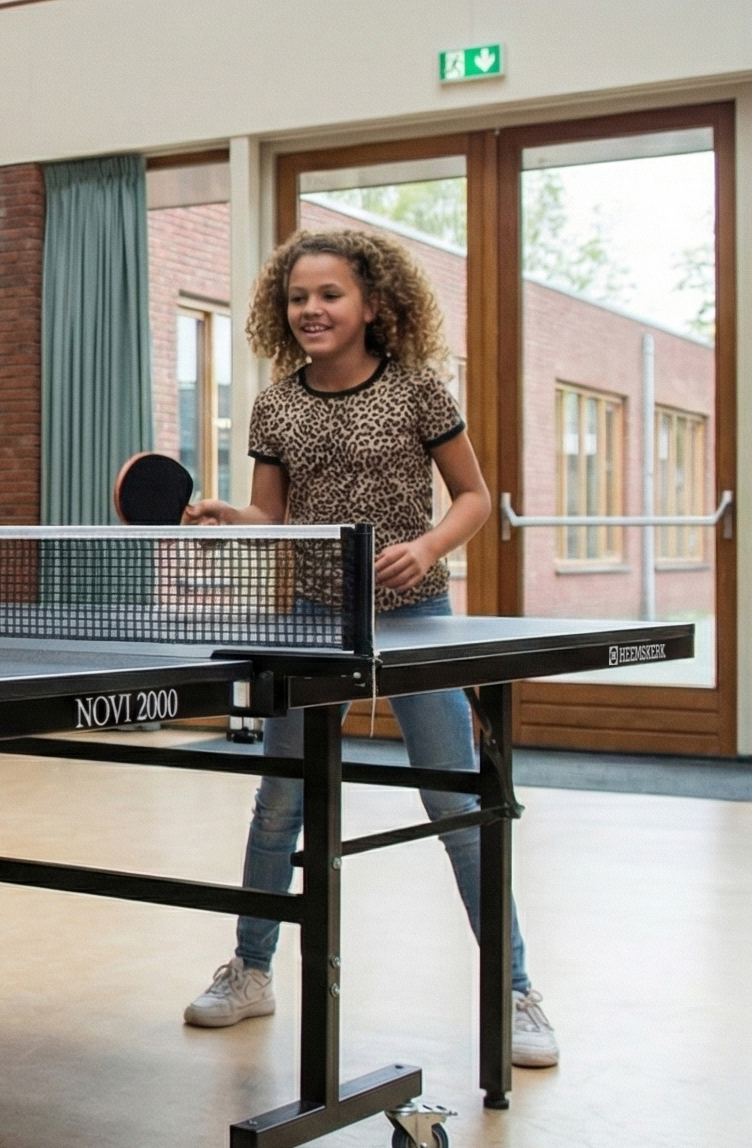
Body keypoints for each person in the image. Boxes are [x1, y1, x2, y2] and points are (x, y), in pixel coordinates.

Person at [183, 226, 556, 1068]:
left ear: (373, 304)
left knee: (455, 802)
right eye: (297, 297)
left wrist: (427, 548)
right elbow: (271, 517)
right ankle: (250, 969)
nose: (310, 309)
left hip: (417, 618)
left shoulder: (417, 388)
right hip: (317, 621)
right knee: (280, 801)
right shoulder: (276, 405)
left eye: (330, 294)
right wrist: (229, 520)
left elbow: (473, 496)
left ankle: (515, 991)